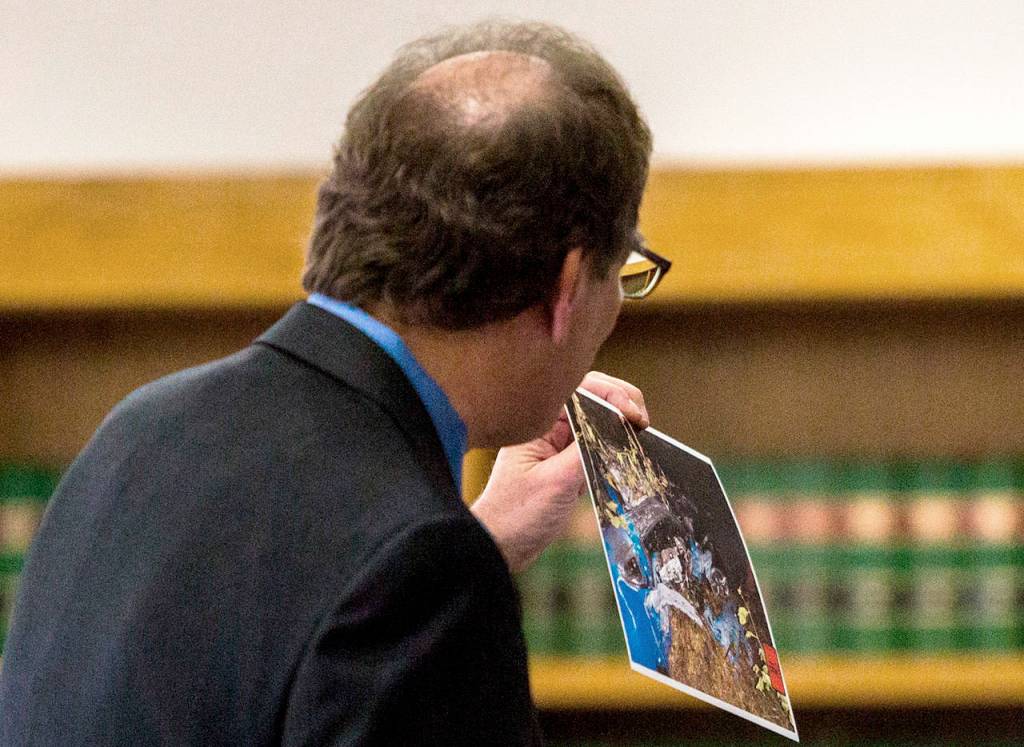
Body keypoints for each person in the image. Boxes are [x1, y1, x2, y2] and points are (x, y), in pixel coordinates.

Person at [0, 20, 667, 745]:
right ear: (566, 288)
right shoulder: (420, 576)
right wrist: (442, 567)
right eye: (623, 273)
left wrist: (472, 543)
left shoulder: (139, 430)